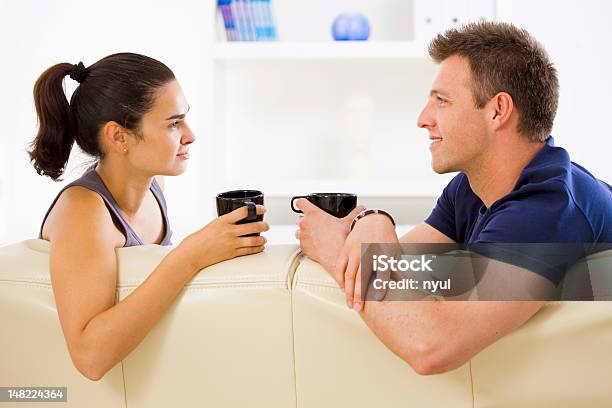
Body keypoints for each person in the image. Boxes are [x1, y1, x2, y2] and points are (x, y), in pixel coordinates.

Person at [296, 22, 612, 375]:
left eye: (441, 101)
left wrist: (332, 249)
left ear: (497, 111)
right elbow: (401, 269)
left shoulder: (546, 209)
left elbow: (431, 346)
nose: (422, 119)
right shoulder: (474, 186)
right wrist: (374, 221)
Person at [28, 53, 269, 380]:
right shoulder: (83, 212)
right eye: (173, 123)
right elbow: (89, 358)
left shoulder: (156, 185)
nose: (190, 135)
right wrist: (190, 256)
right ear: (118, 137)